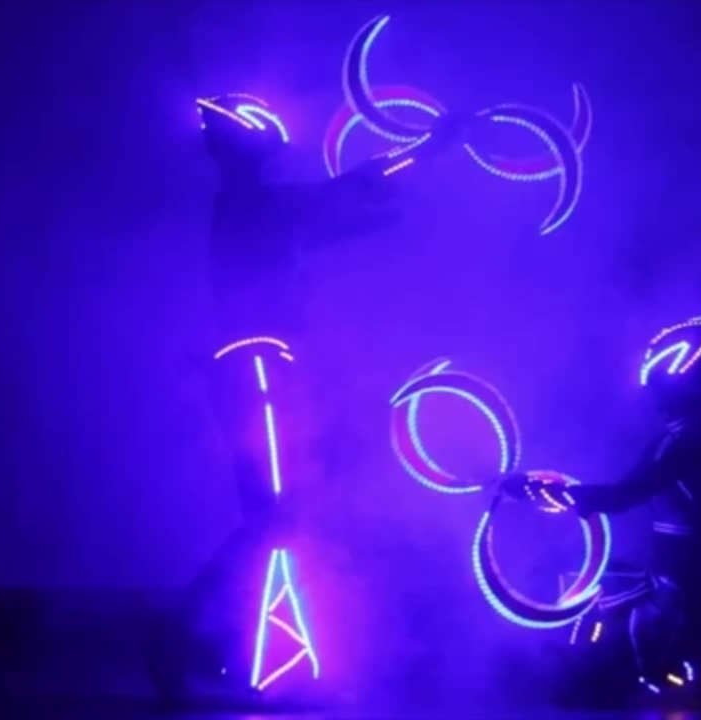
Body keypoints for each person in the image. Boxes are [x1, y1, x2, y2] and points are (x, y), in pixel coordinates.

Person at [146, 93, 468, 707]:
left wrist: (383, 212)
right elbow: (349, 193)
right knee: (276, 519)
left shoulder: (251, 209)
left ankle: (249, 653)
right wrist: (430, 148)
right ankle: (190, 638)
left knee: (278, 518)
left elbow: (338, 213)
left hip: (261, 369)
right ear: (247, 147)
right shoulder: (256, 206)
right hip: (259, 371)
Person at [499, 314, 701, 711]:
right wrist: (544, 492)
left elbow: (625, 495)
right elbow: (625, 492)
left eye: (661, 389)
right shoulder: (676, 440)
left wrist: (543, 492)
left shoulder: (690, 444)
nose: (655, 399)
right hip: (675, 575)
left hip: (685, 584)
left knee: (665, 685)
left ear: (687, 387)